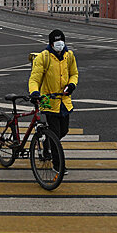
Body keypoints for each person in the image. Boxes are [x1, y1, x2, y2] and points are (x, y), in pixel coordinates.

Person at [28, 29, 79, 174]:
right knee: (56, 134)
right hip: (47, 100)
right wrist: (35, 92)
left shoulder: (69, 56)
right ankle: (58, 165)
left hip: (64, 100)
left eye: (62, 42)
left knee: (64, 130)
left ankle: (47, 141)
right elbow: (34, 78)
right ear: (51, 43)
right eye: (57, 43)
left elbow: (74, 73)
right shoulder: (44, 57)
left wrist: (71, 85)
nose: (60, 45)